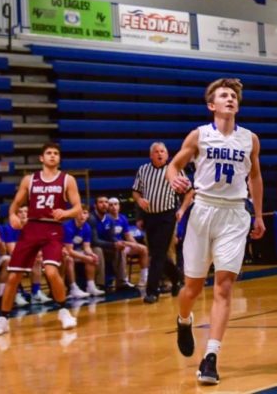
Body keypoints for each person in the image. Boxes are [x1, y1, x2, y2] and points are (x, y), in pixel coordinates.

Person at [166, 78, 265, 385]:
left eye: (233, 95)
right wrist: (173, 178)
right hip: (203, 211)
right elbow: (174, 165)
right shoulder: (199, 135)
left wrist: (258, 215)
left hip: (235, 213)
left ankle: (210, 357)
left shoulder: (250, 139)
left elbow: (256, 177)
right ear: (212, 105)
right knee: (192, 289)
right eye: (224, 95)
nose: (230, 99)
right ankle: (184, 320)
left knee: (223, 287)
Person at [0, 142, 81, 336]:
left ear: (59, 158)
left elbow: (78, 208)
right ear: (41, 158)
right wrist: (13, 215)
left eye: (56, 153)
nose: (53, 156)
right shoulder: (30, 180)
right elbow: (15, 203)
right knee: (13, 275)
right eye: (49, 153)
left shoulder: (67, 180)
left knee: (51, 271)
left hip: (53, 229)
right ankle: (3, 319)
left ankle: (64, 311)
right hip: (31, 227)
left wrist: (65, 212)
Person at [132, 141, 191, 303]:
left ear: (167, 154)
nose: (160, 154)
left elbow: (190, 192)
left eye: (163, 151)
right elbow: (136, 192)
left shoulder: (174, 170)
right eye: (156, 151)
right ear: (151, 155)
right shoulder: (143, 170)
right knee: (156, 253)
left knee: (157, 254)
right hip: (150, 217)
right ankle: (177, 277)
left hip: (167, 216)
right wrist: (140, 202)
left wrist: (182, 210)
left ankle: (152, 291)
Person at [103, 198, 149, 291]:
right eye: (111, 205)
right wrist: (128, 243)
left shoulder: (122, 218)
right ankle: (124, 279)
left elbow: (127, 235)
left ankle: (144, 278)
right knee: (122, 250)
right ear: (108, 207)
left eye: (116, 204)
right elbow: (110, 238)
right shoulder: (106, 219)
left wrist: (135, 245)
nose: (114, 207)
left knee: (143, 249)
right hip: (113, 246)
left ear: (119, 206)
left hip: (123, 244)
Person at [62, 208, 104, 298]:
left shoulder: (87, 227)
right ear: (74, 215)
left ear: (88, 215)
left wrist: (91, 254)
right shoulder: (67, 226)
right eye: (79, 213)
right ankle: (73, 288)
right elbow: (69, 250)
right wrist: (84, 257)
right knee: (69, 259)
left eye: (85, 213)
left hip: (75, 251)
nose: (82, 216)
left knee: (91, 257)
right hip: (63, 252)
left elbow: (86, 247)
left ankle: (91, 286)